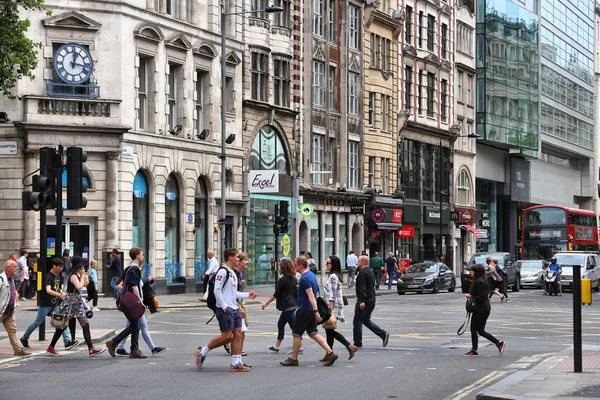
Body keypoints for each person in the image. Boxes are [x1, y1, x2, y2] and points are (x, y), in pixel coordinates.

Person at [194, 248, 259, 372]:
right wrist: (224, 306)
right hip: (225, 308)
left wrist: (247, 295)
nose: (238, 259)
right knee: (227, 336)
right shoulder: (222, 272)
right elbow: (216, 290)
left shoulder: (232, 273)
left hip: (233, 308)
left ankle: (236, 363)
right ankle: (202, 352)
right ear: (230, 257)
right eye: (237, 257)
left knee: (238, 333)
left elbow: (233, 293)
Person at [279, 256, 338, 367]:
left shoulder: (305, 278)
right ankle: (331, 353)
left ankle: (294, 358)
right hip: (309, 309)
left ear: (301, 266)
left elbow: (311, 295)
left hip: (305, 309)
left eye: (295, 265)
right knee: (313, 333)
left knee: (296, 334)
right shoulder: (310, 275)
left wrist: (316, 312)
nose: (294, 267)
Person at [46, 256, 105, 357]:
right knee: (62, 326)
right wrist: (82, 276)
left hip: (76, 303)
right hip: (71, 303)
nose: (83, 267)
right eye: (82, 265)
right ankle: (51, 347)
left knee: (85, 325)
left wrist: (83, 276)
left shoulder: (77, 274)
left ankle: (91, 349)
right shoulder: (73, 275)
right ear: (79, 266)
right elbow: (79, 287)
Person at [114, 259, 165, 357]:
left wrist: (148, 282)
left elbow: (139, 286)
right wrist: (137, 299)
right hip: (134, 304)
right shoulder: (131, 271)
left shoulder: (135, 273)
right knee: (142, 326)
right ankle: (152, 348)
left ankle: (120, 347)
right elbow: (121, 286)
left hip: (135, 304)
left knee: (131, 327)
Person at [20, 258, 73, 350]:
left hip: (55, 303)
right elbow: (48, 290)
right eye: (60, 267)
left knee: (62, 320)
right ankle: (24, 338)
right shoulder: (48, 277)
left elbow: (56, 288)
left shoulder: (57, 276)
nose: (61, 269)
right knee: (38, 322)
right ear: (54, 266)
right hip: (46, 304)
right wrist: (60, 294)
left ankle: (67, 341)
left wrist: (62, 293)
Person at [105, 247, 147, 359]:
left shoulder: (128, 268)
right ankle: (114, 342)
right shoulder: (134, 269)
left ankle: (134, 350)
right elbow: (134, 286)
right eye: (142, 254)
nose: (143, 256)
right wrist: (140, 302)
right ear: (137, 256)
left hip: (127, 300)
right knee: (136, 325)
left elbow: (120, 284)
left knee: (135, 324)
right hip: (132, 302)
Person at [464, 264, 505, 356]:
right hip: (482, 309)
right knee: (480, 331)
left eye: (472, 270)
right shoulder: (478, 280)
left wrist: (471, 296)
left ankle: (474, 350)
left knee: (474, 329)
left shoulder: (480, 282)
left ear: (477, 272)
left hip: (481, 309)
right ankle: (498, 343)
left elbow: (482, 297)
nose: (470, 272)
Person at [323, 256, 357, 360]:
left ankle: (349, 346)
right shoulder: (335, 275)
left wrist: (330, 309)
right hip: (333, 305)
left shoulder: (333, 277)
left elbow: (332, 294)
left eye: (328, 263)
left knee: (330, 331)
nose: (326, 264)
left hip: (333, 306)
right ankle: (329, 353)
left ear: (333, 264)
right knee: (329, 331)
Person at [262, 258, 299, 353]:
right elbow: (296, 293)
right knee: (281, 324)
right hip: (292, 305)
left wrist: (266, 303)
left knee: (294, 328)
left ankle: (299, 347)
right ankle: (277, 346)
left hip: (287, 306)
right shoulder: (294, 279)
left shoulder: (282, 280)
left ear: (283, 268)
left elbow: (276, 294)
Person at [353, 255, 389, 348]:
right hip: (371, 299)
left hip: (365, 300)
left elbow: (362, 288)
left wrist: (361, 301)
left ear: (363, 262)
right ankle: (383, 334)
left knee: (357, 321)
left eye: (359, 261)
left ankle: (357, 342)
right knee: (366, 320)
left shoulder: (362, 273)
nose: (357, 262)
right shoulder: (370, 272)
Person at [0, 259, 31, 356]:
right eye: (14, 266)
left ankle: (17, 350)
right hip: (1, 310)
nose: (16, 268)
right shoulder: (1, 279)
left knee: (12, 331)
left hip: (9, 311)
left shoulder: (11, 279)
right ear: (8, 268)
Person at [230, 252, 250, 358]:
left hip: (238, 302)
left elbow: (235, 292)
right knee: (236, 333)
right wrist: (239, 307)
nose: (247, 262)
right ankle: (203, 351)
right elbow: (230, 294)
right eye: (245, 260)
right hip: (234, 305)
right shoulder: (231, 274)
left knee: (240, 332)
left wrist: (247, 295)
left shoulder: (238, 274)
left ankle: (237, 358)